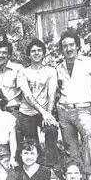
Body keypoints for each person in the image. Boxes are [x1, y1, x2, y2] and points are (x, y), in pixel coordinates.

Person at [55, 30, 91, 180]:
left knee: (87, 138)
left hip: (83, 110)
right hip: (64, 111)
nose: (68, 48)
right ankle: (75, 175)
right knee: (70, 145)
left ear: (77, 46)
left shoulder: (89, 63)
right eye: (65, 46)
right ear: (62, 49)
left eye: (71, 44)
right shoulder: (59, 67)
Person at [16, 38, 59, 167]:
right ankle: (35, 169)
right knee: (31, 143)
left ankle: (51, 168)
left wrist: (49, 114)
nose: (36, 53)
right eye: (33, 51)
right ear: (29, 55)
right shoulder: (23, 72)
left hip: (45, 112)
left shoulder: (50, 71)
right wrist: (44, 112)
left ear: (43, 53)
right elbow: (28, 96)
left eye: (39, 50)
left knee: (51, 131)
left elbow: (51, 93)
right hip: (27, 113)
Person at [0, 39, 24, 114]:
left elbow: (25, 92)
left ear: (9, 55)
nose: (0, 55)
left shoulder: (18, 69)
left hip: (13, 109)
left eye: (4, 53)